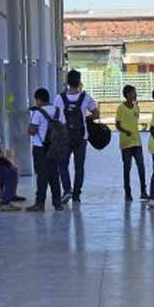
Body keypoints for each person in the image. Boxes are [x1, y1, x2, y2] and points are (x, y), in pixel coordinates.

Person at [55, 69, 99, 205]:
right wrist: (86, 119)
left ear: (67, 82)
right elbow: (96, 114)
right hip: (81, 137)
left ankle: (67, 190)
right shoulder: (86, 97)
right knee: (79, 167)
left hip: (64, 137)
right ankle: (76, 195)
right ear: (79, 82)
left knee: (63, 165)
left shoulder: (59, 98)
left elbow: (55, 118)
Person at [27, 88, 64, 212]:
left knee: (42, 176)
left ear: (38, 99)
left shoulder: (38, 113)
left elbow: (32, 131)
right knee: (54, 175)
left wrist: (32, 120)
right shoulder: (58, 111)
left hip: (40, 148)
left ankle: (39, 203)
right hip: (55, 147)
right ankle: (57, 203)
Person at [116, 85, 146, 202]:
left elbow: (135, 120)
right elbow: (117, 125)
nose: (135, 94)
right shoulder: (121, 108)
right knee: (127, 168)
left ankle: (143, 191)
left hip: (136, 141)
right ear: (127, 94)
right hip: (126, 143)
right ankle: (127, 192)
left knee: (141, 167)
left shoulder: (136, 107)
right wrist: (126, 131)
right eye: (133, 92)